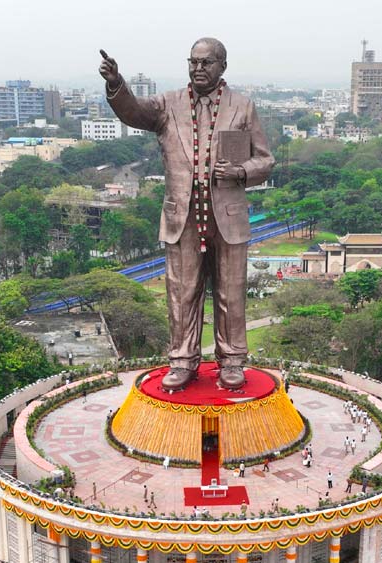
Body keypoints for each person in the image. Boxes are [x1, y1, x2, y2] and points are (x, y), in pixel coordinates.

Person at [99, 40, 274, 391]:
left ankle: (233, 360)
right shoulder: (167, 105)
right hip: (183, 214)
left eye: (206, 63)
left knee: (230, 292)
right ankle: (182, 360)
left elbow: (266, 160)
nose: (198, 68)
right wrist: (117, 85)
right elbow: (133, 112)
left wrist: (240, 172)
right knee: (182, 291)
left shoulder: (242, 107)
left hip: (228, 214)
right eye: (192, 62)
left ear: (223, 66)